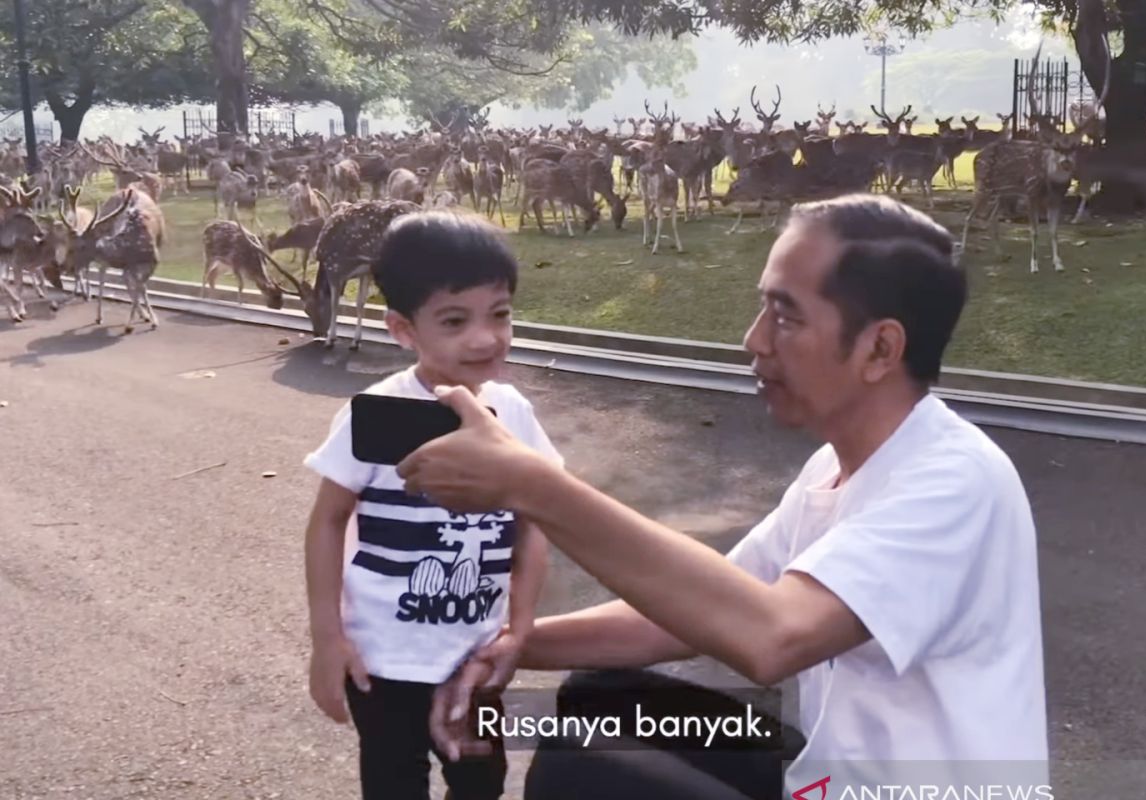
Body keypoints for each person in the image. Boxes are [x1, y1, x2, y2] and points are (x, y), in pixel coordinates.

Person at [398, 195, 1050, 798]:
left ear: (880, 347)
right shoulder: (836, 467)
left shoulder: (954, 481)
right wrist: (498, 645)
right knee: (601, 697)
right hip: (828, 777)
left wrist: (529, 483)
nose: (754, 340)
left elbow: (772, 637)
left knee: (584, 769)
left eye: (785, 314)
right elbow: (684, 615)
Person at [301, 211, 563, 800]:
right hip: (382, 662)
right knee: (393, 786)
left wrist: (517, 629)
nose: (486, 337)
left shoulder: (513, 413)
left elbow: (534, 524)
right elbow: (327, 521)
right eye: (455, 320)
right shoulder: (375, 412)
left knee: (481, 784)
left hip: (475, 657)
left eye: (500, 314)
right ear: (403, 329)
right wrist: (327, 638)